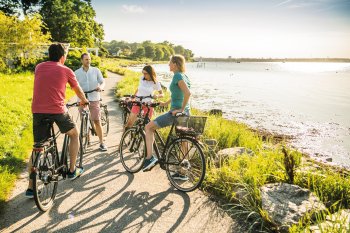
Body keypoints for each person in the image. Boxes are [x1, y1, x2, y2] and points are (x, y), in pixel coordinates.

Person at [26, 43, 89, 198]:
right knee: (74, 135)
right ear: (62, 57)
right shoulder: (66, 70)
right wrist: (84, 101)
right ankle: (72, 170)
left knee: (38, 146)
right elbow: (77, 90)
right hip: (58, 110)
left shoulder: (39, 67)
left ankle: (30, 188)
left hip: (38, 111)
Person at [144, 55, 191, 173]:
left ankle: (149, 158)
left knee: (148, 127)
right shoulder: (184, 76)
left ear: (175, 64)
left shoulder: (177, 76)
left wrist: (180, 109)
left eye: (170, 62)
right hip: (186, 112)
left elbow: (187, 93)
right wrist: (166, 103)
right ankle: (183, 172)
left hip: (176, 113)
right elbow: (178, 94)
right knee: (183, 142)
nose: (168, 64)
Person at [75, 53, 107, 151]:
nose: (88, 61)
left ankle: (102, 143)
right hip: (82, 99)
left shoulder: (96, 70)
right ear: (82, 61)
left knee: (96, 120)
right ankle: (86, 140)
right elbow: (74, 85)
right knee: (83, 121)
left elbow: (102, 81)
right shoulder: (76, 72)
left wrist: (100, 88)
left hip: (94, 98)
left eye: (89, 59)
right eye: (86, 59)